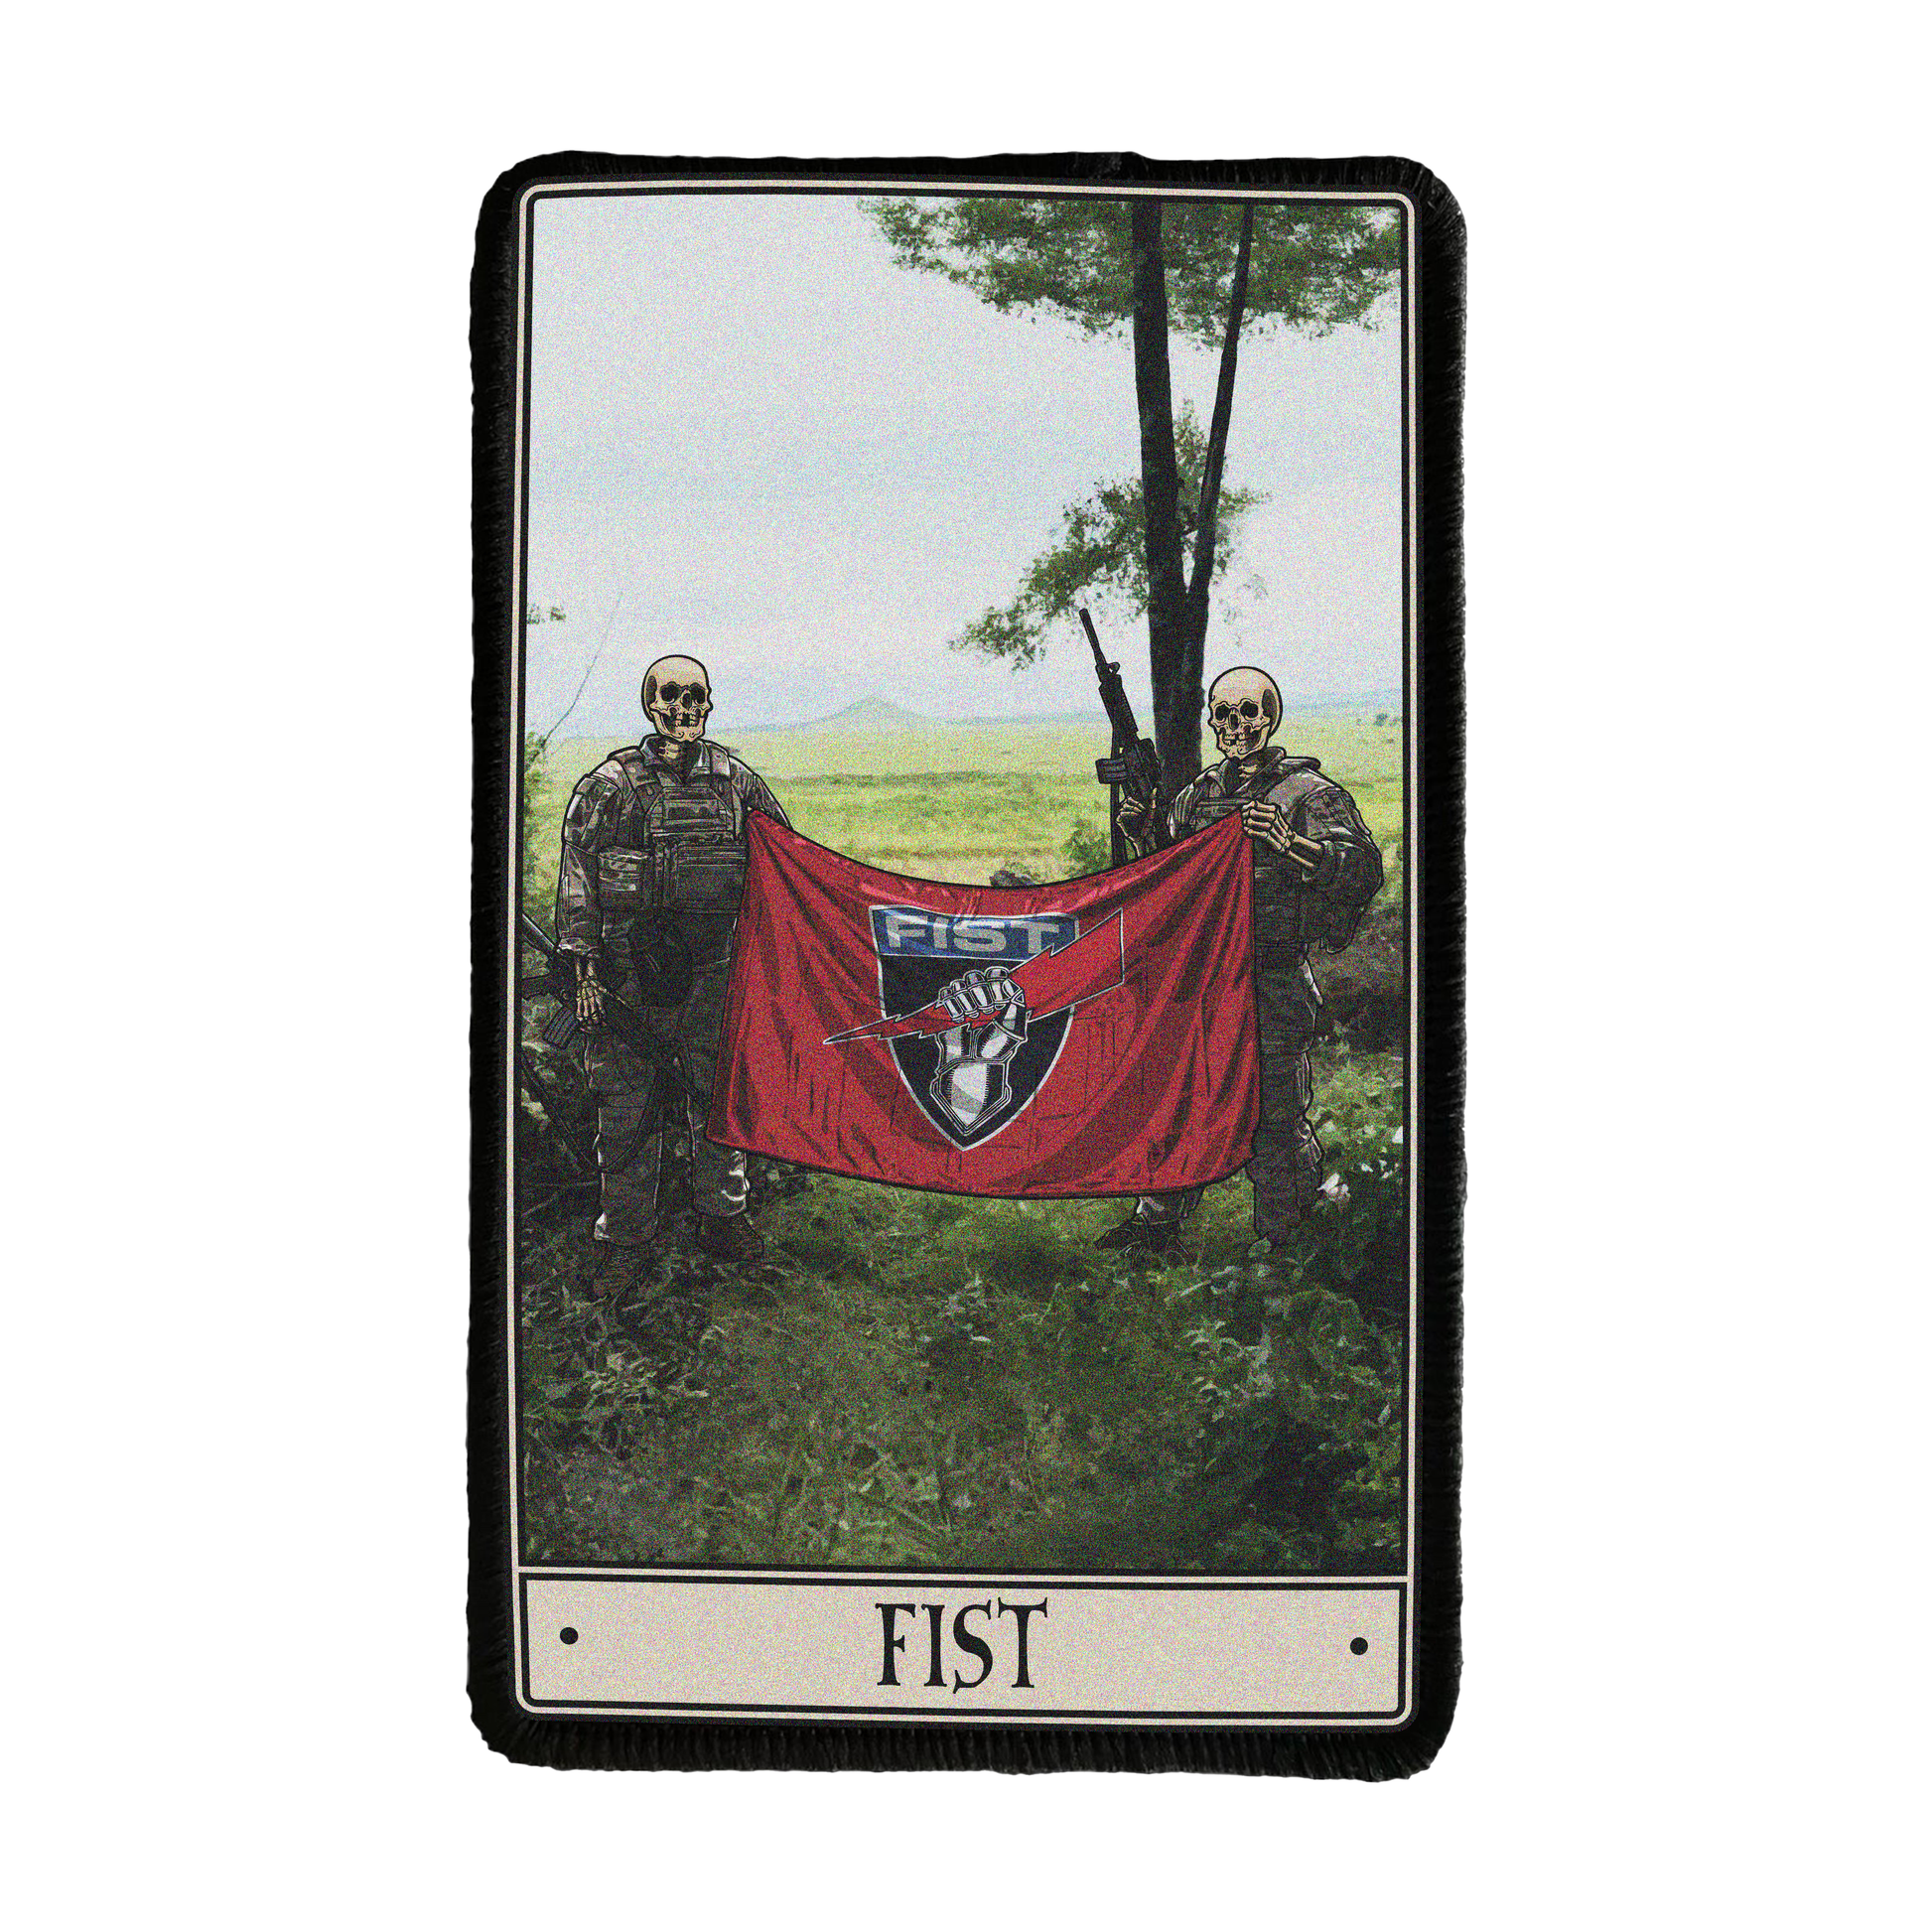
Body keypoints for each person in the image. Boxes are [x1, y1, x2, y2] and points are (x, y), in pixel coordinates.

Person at [1101, 664, 1383, 1254]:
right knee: (1179, 1099)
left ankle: (1290, 1240)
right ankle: (1156, 1224)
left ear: (1270, 718)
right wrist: (1144, 831)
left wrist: (1292, 843)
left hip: (1271, 977)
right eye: (1222, 715)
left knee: (1274, 1115)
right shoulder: (1198, 796)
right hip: (1203, 981)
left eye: (1248, 712)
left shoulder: (1311, 795)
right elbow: (1175, 874)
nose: (1235, 726)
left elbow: (1361, 870)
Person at [554, 653, 787, 1274]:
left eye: (696, 697)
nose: (685, 710)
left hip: (714, 971)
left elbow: (783, 860)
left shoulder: (737, 783)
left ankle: (723, 1219)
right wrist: (585, 970)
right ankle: (626, 1238)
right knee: (625, 1106)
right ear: (650, 705)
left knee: (717, 1099)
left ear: (708, 704)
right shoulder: (609, 787)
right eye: (671, 697)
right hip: (628, 975)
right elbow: (578, 878)